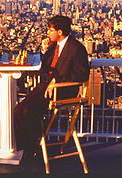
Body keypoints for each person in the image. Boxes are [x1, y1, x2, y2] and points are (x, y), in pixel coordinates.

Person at [14, 15, 90, 160]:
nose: (48, 33)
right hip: (46, 86)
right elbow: (46, 67)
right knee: (19, 110)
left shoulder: (76, 48)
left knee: (28, 110)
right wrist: (44, 50)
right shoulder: (54, 45)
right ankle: (28, 147)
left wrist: (57, 80)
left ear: (60, 32)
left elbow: (82, 74)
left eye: (50, 30)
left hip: (62, 90)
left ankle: (30, 150)